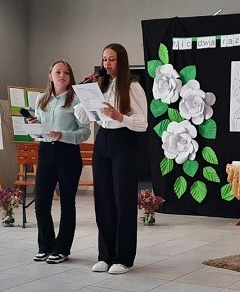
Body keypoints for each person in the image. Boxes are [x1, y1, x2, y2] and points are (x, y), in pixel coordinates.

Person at [75, 43, 148, 275]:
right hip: (102, 140)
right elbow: (82, 117)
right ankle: (105, 256)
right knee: (103, 200)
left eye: (112, 59)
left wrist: (119, 116)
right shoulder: (100, 85)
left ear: (121, 61)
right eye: (104, 59)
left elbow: (143, 123)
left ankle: (123, 258)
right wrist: (84, 90)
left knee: (123, 201)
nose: (107, 63)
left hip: (124, 142)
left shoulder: (133, 86)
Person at [24, 60, 90, 264]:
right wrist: (34, 126)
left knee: (67, 203)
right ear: (50, 76)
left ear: (70, 77)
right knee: (41, 202)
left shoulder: (77, 100)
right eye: (58, 72)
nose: (62, 76)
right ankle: (45, 246)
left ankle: (62, 249)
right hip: (46, 151)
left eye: (66, 73)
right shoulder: (41, 99)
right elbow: (38, 134)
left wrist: (63, 135)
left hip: (67, 153)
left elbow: (85, 132)